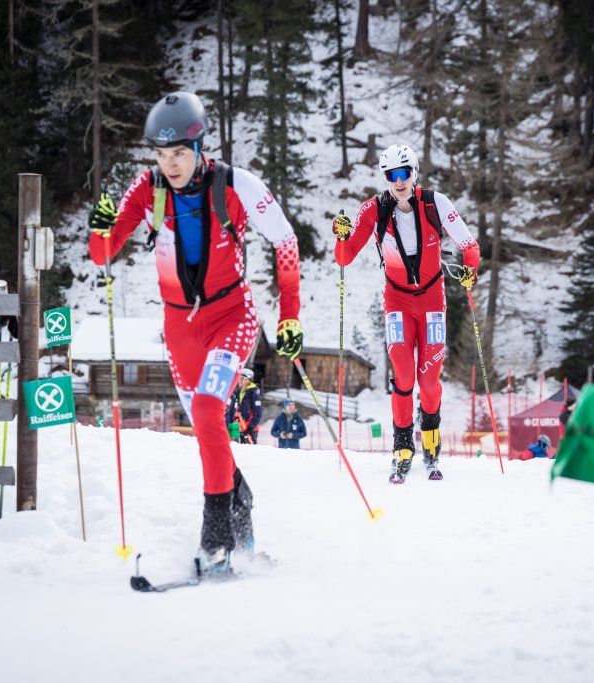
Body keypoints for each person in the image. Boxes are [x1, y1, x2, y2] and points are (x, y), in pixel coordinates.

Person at [87, 91, 303, 575]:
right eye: (161, 155)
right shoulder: (147, 189)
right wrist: (99, 230)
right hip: (178, 328)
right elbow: (103, 254)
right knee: (208, 432)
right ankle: (240, 504)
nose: (170, 165)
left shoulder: (236, 185)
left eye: (180, 153)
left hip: (233, 317)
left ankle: (216, 540)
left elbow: (285, 240)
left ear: (200, 146)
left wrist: (289, 316)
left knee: (207, 410)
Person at [332, 144, 479, 484]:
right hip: (397, 302)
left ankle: (431, 443)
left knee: (428, 382)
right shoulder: (374, 209)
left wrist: (470, 270)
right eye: (391, 175)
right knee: (403, 376)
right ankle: (402, 448)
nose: (398, 181)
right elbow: (344, 256)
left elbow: (469, 245)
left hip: (432, 303)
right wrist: (341, 234)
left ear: (414, 173)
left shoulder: (435, 203)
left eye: (404, 173)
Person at [226, 367, 262, 445]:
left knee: (247, 450)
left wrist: (251, 427)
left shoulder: (253, 394)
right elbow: (231, 411)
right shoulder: (236, 393)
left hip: (248, 428)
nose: (239, 380)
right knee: (233, 447)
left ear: (248, 380)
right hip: (234, 426)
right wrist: (228, 425)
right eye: (239, 378)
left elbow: (258, 414)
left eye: (242, 378)